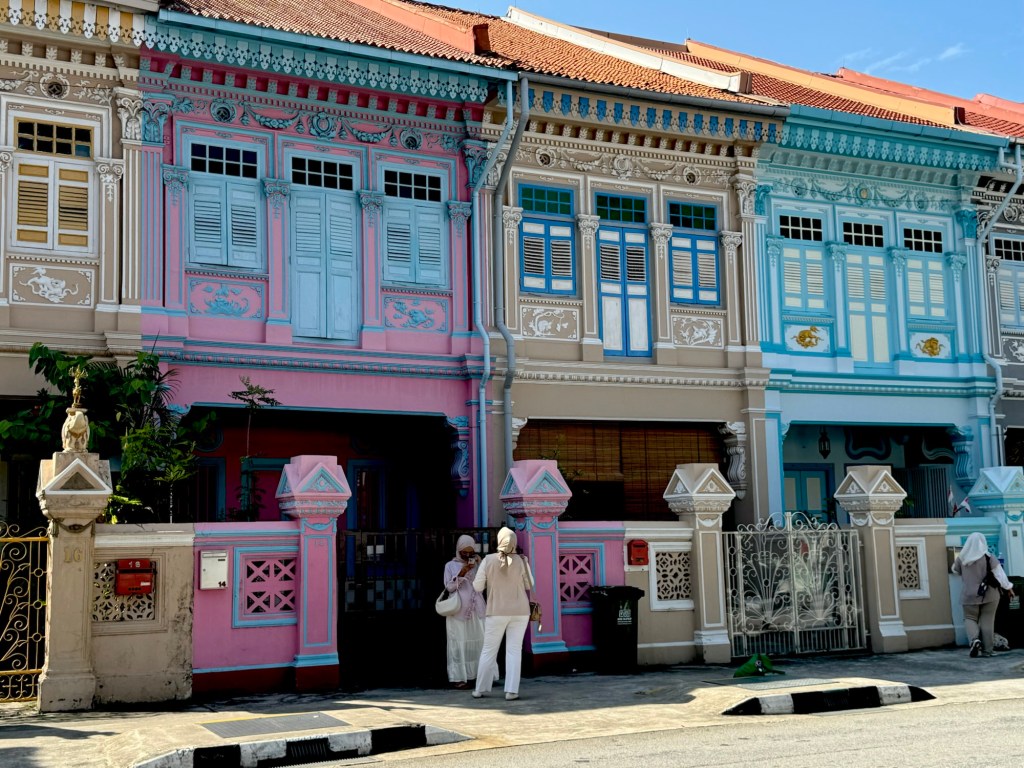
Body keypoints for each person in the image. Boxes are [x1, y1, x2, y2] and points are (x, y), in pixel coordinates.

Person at [472, 526, 534, 701]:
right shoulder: (521, 560)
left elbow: (477, 587)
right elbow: (529, 585)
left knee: (489, 651)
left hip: (496, 611)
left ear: (499, 541)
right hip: (520, 611)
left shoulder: (488, 560)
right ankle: (512, 691)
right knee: (514, 650)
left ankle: (480, 689)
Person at [952, 532, 1016, 658]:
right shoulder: (989, 557)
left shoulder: (962, 558)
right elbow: (1000, 575)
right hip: (990, 594)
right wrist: (1009, 588)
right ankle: (987, 651)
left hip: (969, 595)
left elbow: (954, 570)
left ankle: (974, 640)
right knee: (987, 620)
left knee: (969, 618)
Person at [443, 535, 486, 689]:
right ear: (458, 550)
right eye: (464, 552)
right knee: (458, 643)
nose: (467, 555)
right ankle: (459, 678)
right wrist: (462, 572)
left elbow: (482, 585)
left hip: (476, 609)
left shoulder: (477, 564)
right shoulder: (450, 566)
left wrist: (480, 565)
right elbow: (449, 587)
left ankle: (480, 675)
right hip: (458, 611)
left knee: (480, 641)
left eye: (470, 552)